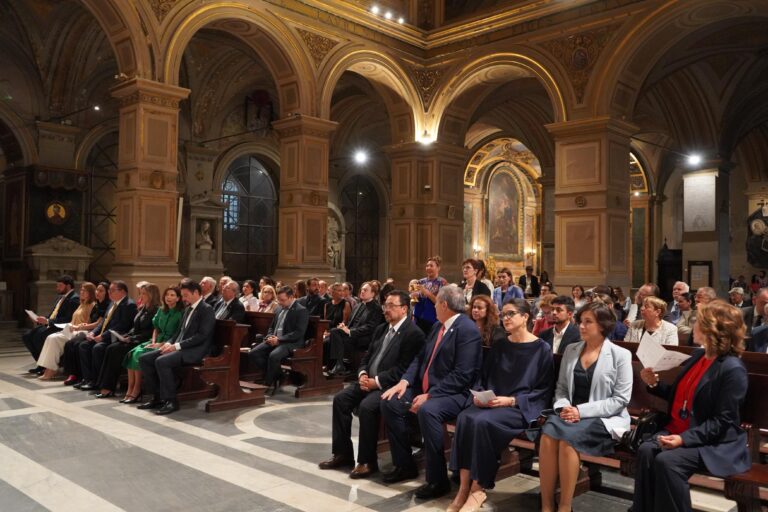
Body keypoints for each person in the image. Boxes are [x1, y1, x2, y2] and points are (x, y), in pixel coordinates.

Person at [634, 300, 750, 511]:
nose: (693, 325)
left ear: (712, 329)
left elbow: (723, 421)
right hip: (679, 430)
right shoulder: (699, 356)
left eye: (698, 322)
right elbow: (681, 397)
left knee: (668, 461)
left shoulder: (732, 369)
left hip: (713, 442)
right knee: (646, 450)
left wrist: (683, 439)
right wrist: (654, 384)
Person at [447, 299, 554, 512]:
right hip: (493, 403)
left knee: (481, 423)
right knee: (465, 417)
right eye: (503, 314)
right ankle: (463, 488)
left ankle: (477, 489)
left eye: (510, 313)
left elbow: (543, 391)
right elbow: (483, 377)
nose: (505, 318)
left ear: (525, 317)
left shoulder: (541, 349)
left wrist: (512, 400)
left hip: (518, 407)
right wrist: (479, 395)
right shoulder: (501, 345)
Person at [380, 284, 482, 499]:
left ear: (444, 305)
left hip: (456, 393)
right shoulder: (438, 326)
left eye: (436, 303)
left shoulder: (467, 329)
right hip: (428, 387)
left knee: (428, 411)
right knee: (390, 401)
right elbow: (420, 357)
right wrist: (404, 381)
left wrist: (431, 395)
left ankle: (437, 480)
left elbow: (463, 375)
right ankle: (404, 465)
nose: (434, 306)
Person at [319, 290, 425, 479]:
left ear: (404, 309)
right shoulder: (382, 328)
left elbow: (403, 369)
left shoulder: (413, 333)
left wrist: (376, 382)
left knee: (367, 407)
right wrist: (362, 373)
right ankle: (343, 454)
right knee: (340, 400)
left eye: (391, 306)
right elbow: (367, 356)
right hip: (368, 380)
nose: (386, 309)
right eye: (385, 305)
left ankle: (367, 461)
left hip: (390, 385)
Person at [539, 302, 632, 512]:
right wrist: (564, 407)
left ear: (603, 325)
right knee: (547, 436)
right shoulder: (571, 350)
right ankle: (546, 505)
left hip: (602, 417)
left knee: (567, 441)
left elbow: (620, 400)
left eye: (588, 322)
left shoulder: (620, 355)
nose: (581, 326)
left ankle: (565, 506)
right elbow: (562, 388)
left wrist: (580, 411)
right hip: (569, 414)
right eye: (580, 321)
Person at [138, 279, 215, 415]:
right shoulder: (187, 309)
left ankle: (171, 401)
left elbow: (201, 336)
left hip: (196, 350)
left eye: (185, 295)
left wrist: (176, 346)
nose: (183, 298)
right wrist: (169, 343)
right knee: (145, 359)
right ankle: (157, 397)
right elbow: (178, 332)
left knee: (162, 361)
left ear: (196, 292)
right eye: (183, 295)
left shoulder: (206, 309)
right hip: (181, 347)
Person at [93, 283, 160, 398]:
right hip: (133, 339)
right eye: (140, 293)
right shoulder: (142, 308)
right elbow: (135, 327)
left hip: (143, 340)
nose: (141, 296)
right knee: (110, 348)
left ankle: (108, 387)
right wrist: (127, 336)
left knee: (114, 350)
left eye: (144, 294)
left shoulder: (156, 310)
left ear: (151, 295)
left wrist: (132, 338)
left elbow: (151, 331)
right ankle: (104, 385)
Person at [122, 286, 183, 403]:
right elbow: (156, 328)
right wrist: (154, 341)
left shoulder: (180, 313)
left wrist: (160, 344)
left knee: (139, 355)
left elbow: (177, 335)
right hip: (156, 340)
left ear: (178, 298)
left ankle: (137, 389)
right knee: (132, 353)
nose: (168, 297)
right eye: (167, 295)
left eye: (172, 295)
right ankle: (130, 388)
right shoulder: (161, 310)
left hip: (168, 343)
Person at [247, 285, 309, 394]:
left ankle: (268, 382)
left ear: (291, 297)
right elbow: (272, 327)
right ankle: (279, 375)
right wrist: (270, 336)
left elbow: (298, 333)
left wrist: (279, 339)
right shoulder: (279, 308)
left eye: (282, 300)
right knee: (253, 353)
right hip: (275, 339)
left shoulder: (301, 310)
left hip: (291, 342)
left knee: (274, 356)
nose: (280, 302)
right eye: (279, 300)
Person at [76, 281, 137, 391]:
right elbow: (103, 322)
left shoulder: (129, 305)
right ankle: (88, 379)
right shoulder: (112, 303)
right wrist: (93, 332)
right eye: (109, 290)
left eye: (112, 290)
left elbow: (122, 326)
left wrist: (103, 336)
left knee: (98, 348)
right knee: (83, 345)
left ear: (122, 291)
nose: (109, 293)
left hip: (115, 337)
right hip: (105, 335)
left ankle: (98, 381)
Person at [37, 282, 97, 380]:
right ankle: (49, 369)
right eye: (81, 290)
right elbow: (73, 320)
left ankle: (51, 370)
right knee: (50, 337)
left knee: (54, 339)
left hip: (82, 331)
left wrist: (77, 326)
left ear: (91, 293)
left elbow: (90, 323)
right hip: (72, 329)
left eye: (85, 291)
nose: (81, 292)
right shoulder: (81, 304)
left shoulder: (92, 305)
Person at [23, 274, 80, 374]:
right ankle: (41, 364)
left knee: (40, 335)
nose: (57, 288)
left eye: (60, 286)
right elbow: (53, 315)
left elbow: (68, 319)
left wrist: (48, 321)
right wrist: (40, 320)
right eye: (57, 286)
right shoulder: (61, 298)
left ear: (68, 286)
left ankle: (46, 366)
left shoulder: (74, 299)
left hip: (62, 327)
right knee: (27, 336)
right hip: (53, 324)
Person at [326, 282, 384, 375]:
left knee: (334, 334)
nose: (362, 291)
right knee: (329, 338)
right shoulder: (358, 305)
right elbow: (350, 322)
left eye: (365, 290)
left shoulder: (376, 308)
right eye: (362, 289)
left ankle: (339, 365)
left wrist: (350, 331)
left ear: (373, 294)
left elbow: (370, 327)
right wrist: (344, 327)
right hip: (351, 333)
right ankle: (333, 365)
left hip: (364, 337)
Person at [62, 282, 109, 386]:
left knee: (77, 344)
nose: (97, 292)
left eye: (101, 291)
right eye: (97, 290)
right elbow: (92, 321)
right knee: (70, 344)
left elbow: (99, 324)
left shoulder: (107, 305)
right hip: (92, 331)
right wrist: (85, 325)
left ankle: (82, 376)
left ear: (107, 293)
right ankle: (75, 374)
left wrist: (82, 327)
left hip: (97, 333)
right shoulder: (97, 304)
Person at [411, 256, 449, 335]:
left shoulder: (442, 282)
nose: (428, 268)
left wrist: (425, 291)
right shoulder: (419, 282)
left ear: (438, 268)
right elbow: (412, 303)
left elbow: (440, 303)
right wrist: (413, 297)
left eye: (431, 266)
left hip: (433, 320)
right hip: (418, 319)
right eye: (427, 266)